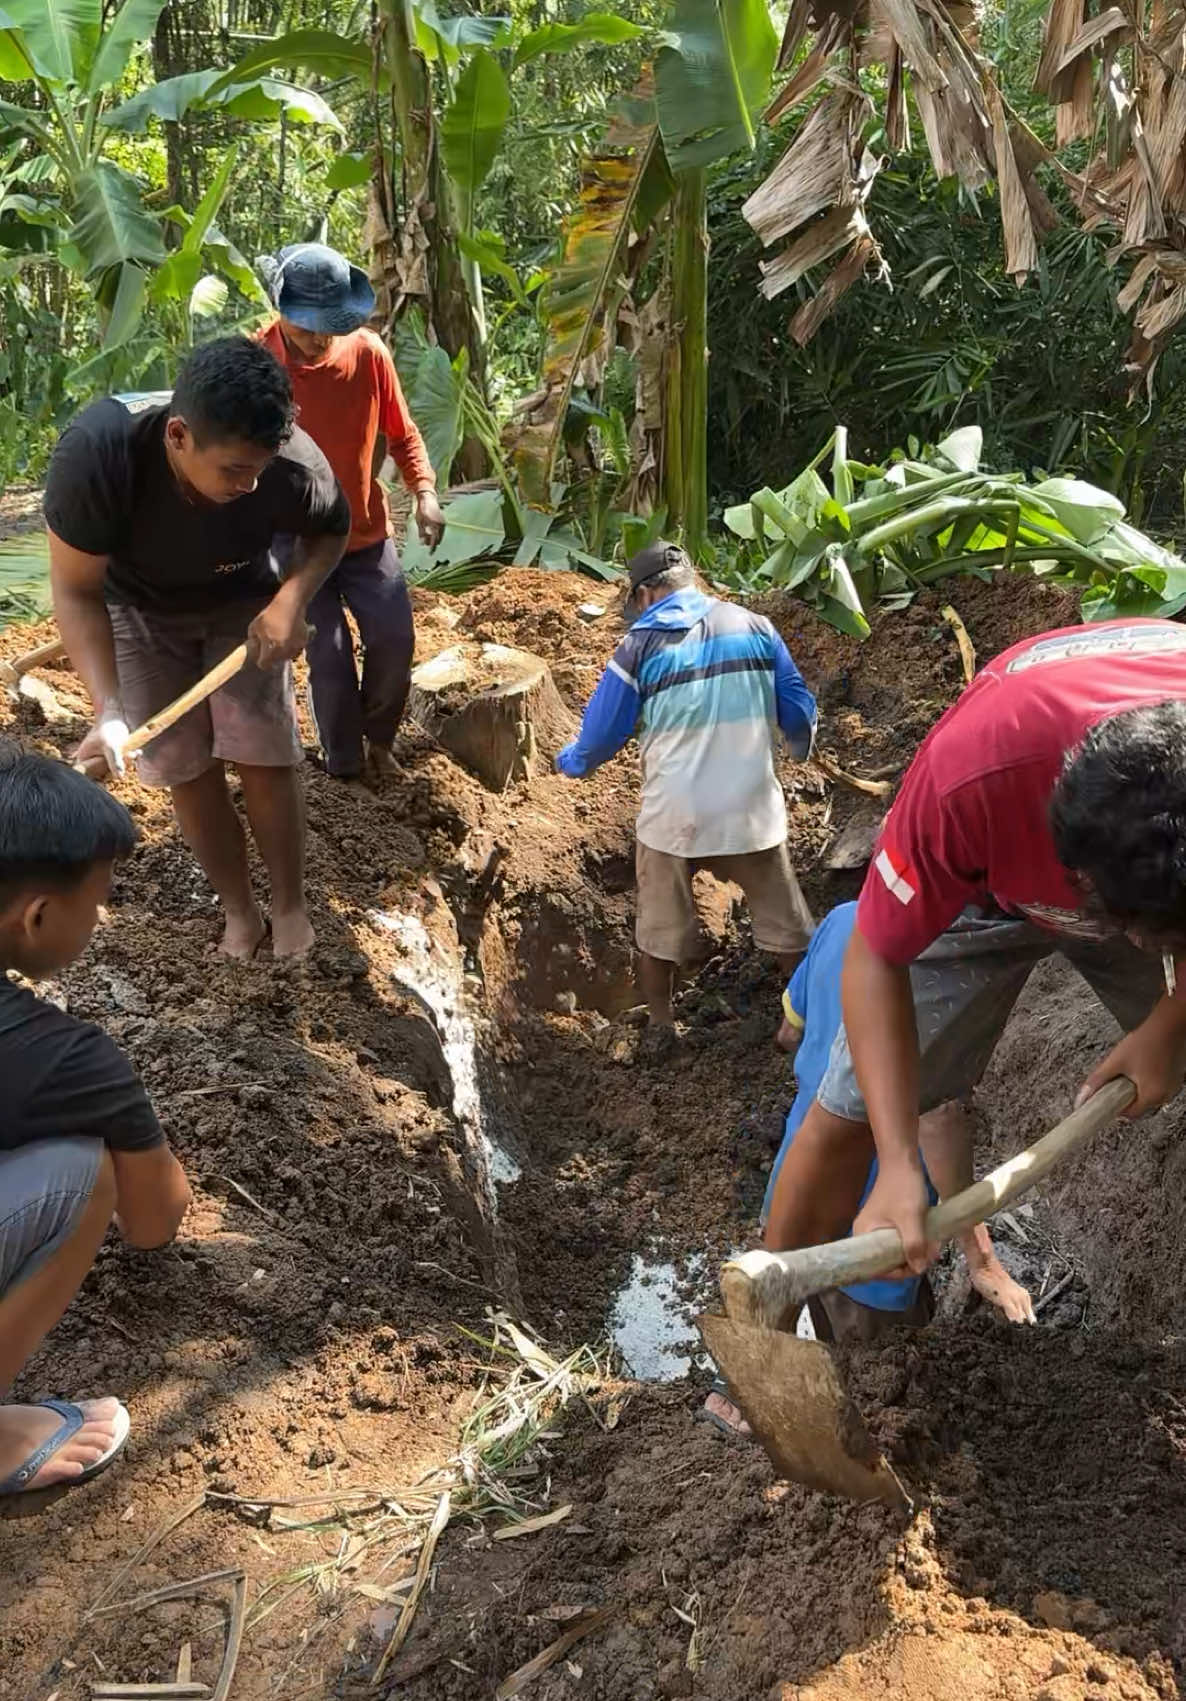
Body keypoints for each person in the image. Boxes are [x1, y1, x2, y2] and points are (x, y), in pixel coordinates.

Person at [767, 618, 1186, 1279]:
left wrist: (1168, 1022)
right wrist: (899, 1160)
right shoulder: (970, 779)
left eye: (1147, 935)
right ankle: (762, 1346)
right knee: (849, 1113)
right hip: (985, 885)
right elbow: (874, 953)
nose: (1131, 943)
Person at [45, 336, 351, 960]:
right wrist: (107, 709)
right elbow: (77, 592)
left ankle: (290, 909)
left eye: (260, 468)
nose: (252, 483)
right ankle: (241, 913)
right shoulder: (99, 458)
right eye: (235, 471)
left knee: (263, 751)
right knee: (184, 765)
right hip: (141, 608)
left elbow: (332, 531)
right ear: (179, 437)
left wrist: (290, 603)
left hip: (246, 604)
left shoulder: (291, 463)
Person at [701, 902, 1034, 1439]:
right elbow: (938, 1118)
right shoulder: (951, 949)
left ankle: (756, 1389)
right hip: (878, 1236)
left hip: (797, 1184)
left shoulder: (841, 920)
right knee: (876, 1378)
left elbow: (790, 1031)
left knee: (789, 1287)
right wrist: (982, 1257)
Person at [0, 750, 190, 1497]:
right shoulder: (64, 1060)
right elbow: (155, 1218)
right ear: (38, 916)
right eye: (98, 898)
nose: (102, 916)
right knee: (83, 1171)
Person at [556, 542, 818, 1036]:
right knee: (788, 928)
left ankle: (661, 1024)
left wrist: (570, 763)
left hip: (675, 817)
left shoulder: (639, 645)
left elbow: (601, 735)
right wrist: (799, 749)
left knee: (657, 932)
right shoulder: (757, 627)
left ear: (647, 593)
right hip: (751, 810)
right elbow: (798, 711)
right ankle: (805, 1020)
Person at [257, 242, 444, 787]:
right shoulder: (257, 364)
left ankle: (380, 742)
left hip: (364, 533)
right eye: (309, 326)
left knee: (395, 640)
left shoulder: (367, 354)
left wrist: (425, 492)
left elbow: (402, 435)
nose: (321, 339)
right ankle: (343, 766)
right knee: (330, 656)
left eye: (331, 326)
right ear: (282, 310)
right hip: (297, 545)